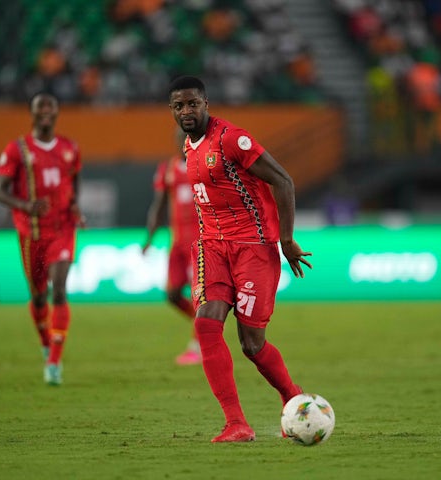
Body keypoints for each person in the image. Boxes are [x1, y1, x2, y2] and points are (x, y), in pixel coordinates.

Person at [167, 75, 313, 443]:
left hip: (252, 247)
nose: (186, 110)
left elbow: (283, 181)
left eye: (192, 103)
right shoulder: (189, 146)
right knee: (206, 323)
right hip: (212, 247)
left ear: (206, 104)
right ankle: (236, 424)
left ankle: (292, 397)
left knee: (252, 344)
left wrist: (287, 239)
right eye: (179, 105)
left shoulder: (232, 139)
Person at [0, 92, 84, 386]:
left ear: (57, 112)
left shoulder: (70, 148)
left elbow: (74, 181)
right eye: (40, 107)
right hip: (32, 233)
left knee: (59, 291)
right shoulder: (17, 149)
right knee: (38, 296)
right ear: (31, 113)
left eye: (50, 107)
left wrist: (74, 207)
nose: (45, 111)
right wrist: (25, 205)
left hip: (62, 229)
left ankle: (54, 361)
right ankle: (46, 341)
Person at [142, 127, 201, 365]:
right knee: (172, 294)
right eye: (180, 139)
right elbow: (158, 206)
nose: (183, 143)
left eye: (187, 139)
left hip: (200, 243)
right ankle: (206, 328)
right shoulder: (167, 170)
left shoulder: (204, 167)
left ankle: (197, 346)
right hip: (177, 243)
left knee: (201, 297)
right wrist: (149, 239)